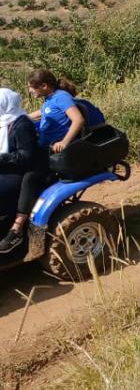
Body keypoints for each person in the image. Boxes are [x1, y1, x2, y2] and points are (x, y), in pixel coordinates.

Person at [0, 70, 90, 255]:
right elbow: (42, 113)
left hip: (50, 152)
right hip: (42, 148)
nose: (30, 91)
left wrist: (64, 142)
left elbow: (78, 119)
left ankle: (17, 228)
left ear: (44, 86)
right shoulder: (50, 99)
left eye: (32, 88)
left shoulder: (62, 97)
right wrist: (21, 117)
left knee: (30, 178)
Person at [0, 88, 47, 255]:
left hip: (19, 171)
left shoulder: (21, 125)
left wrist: (2, 159)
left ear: (6, 104)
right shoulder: (3, 122)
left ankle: (16, 232)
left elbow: (26, 156)